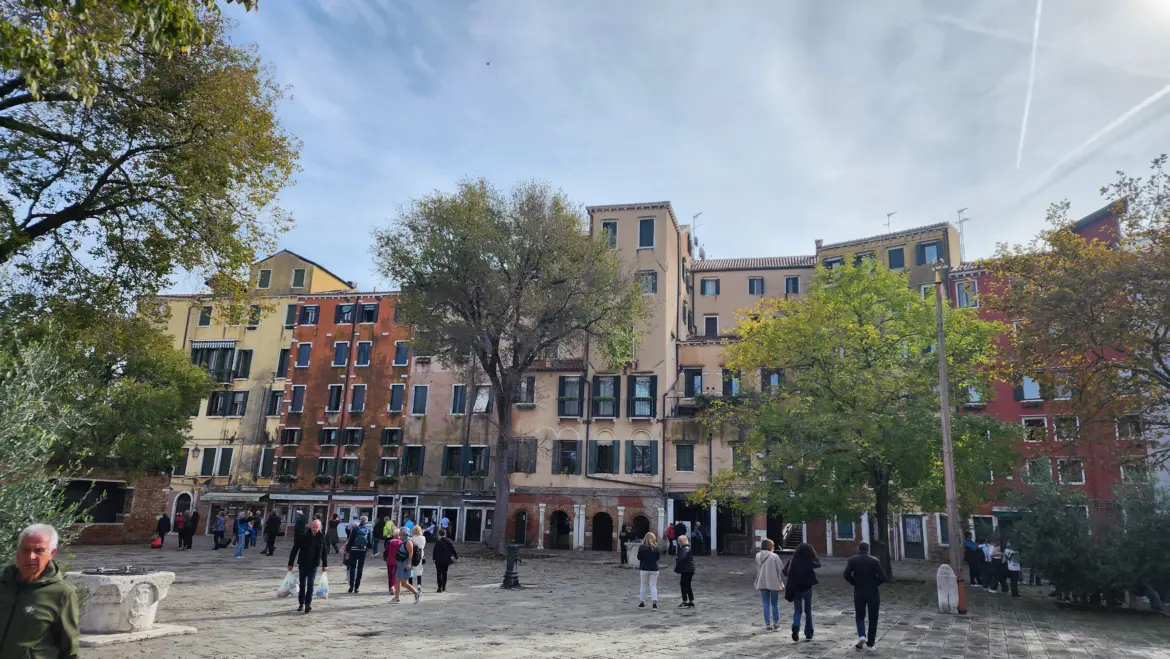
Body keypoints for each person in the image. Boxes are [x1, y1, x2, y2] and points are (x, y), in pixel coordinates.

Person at [0, 524, 80, 658]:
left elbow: (70, 649)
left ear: (51, 553)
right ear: (18, 551)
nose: (31, 556)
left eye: (39, 550)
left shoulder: (62, 593)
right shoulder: (3, 585)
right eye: (25, 549)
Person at [844, 541, 887, 652]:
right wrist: (874, 584)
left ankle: (862, 635)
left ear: (858, 548)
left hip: (859, 591)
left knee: (860, 615)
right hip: (873, 592)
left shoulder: (852, 560)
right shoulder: (875, 561)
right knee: (873, 617)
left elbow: (846, 575)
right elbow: (883, 577)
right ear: (868, 549)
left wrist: (854, 582)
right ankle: (870, 644)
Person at [287, 519, 328, 614]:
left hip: (314, 564)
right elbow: (294, 550)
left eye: (317, 527)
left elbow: (324, 551)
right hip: (303, 563)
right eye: (313, 527)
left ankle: (308, 604)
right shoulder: (303, 537)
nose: (315, 529)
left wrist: (325, 564)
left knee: (310, 584)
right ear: (310, 527)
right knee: (302, 585)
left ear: (319, 528)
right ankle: (301, 603)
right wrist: (290, 563)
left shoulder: (321, 537)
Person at [783, 542, 820, 642]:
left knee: (797, 610)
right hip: (807, 588)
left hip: (796, 588)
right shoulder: (809, 560)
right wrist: (814, 554)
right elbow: (818, 564)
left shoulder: (793, 559)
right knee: (808, 611)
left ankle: (796, 626)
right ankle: (809, 634)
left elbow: (784, 571)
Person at [755, 538, 786, 631]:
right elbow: (780, 569)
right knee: (775, 603)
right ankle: (776, 624)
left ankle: (768, 625)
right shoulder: (774, 556)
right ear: (770, 546)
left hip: (762, 581)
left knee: (765, 604)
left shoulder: (758, 555)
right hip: (774, 582)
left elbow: (758, 569)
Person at [390, 527, 422, 604]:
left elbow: (411, 554)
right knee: (397, 580)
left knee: (404, 583)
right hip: (401, 564)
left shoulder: (408, 542)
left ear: (405, 534)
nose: (399, 536)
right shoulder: (403, 541)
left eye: (400, 534)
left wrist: (408, 564)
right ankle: (396, 598)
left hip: (405, 565)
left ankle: (416, 593)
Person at [344, 516, 372, 594]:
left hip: (354, 550)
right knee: (360, 569)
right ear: (366, 522)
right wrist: (367, 548)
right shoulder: (368, 530)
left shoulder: (355, 529)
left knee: (352, 568)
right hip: (362, 551)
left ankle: (351, 587)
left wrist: (348, 550)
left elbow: (351, 540)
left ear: (360, 521)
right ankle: (357, 587)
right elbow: (370, 543)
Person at [637, 532, 660, 610]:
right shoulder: (656, 547)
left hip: (644, 568)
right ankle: (654, 604)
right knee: (653, 586)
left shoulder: (641, 547)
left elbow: (639, 557)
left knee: (643, 585)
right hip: (654, 568)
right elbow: (657, 558)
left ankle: (642, 603)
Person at [431, 529, 459, 593]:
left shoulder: (438, 542)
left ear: (439, 534)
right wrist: (456, 557)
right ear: (445, 534)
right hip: (446, 560)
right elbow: (453, 549)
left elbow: (434, 551)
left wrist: (434, 559)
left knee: (439, 573)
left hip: (438, 560)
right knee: (445, 573)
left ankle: (439, 588)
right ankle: (444, 587)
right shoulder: (449, 541)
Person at [675, 534, 695, 608]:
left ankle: (685, 601)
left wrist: (678, 565)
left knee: (683, 585)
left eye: (680, 541)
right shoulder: (687, 548)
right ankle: (691, 601)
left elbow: (683, 559)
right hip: (690, 569)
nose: (678, 542)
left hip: (686, 569)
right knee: (688, 585)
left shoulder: (685, 548)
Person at [384, 528, 403, 595]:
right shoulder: (401, 542)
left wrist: (385, 557)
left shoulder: (389, 542)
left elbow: (386, 550)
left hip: (389, 560)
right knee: (395, 574)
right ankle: (393, 586)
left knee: (389, 574)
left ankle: (390, 587)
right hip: (397, 560)